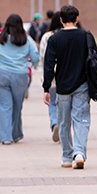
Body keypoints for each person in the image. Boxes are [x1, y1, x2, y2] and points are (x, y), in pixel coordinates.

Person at [43, 5, 96, 170]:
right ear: (77, 18)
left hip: (62, 86)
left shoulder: (54, 39)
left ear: (60, 20)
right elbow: (95, 58)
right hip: (82, 84)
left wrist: (46, 87)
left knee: (63, 121)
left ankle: (67, 156)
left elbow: (49, 65)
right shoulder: (86, 36)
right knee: (81, 119)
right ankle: (79, 153)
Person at [0, 14, 38, 144]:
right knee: (17, 106)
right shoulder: (27, 39)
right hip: (20, 75)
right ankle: (16, 133)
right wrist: (29, 64)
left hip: (1, 74)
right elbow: (35, 57)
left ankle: (5, 137)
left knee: (4, 106)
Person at [39, 12, 63, 143]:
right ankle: (63, 126)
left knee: (52, 102)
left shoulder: (46, 37)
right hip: (66, 76)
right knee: (65, 103)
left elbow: (43, 57)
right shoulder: (67, 35)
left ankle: (54, 123)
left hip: (51, 76)